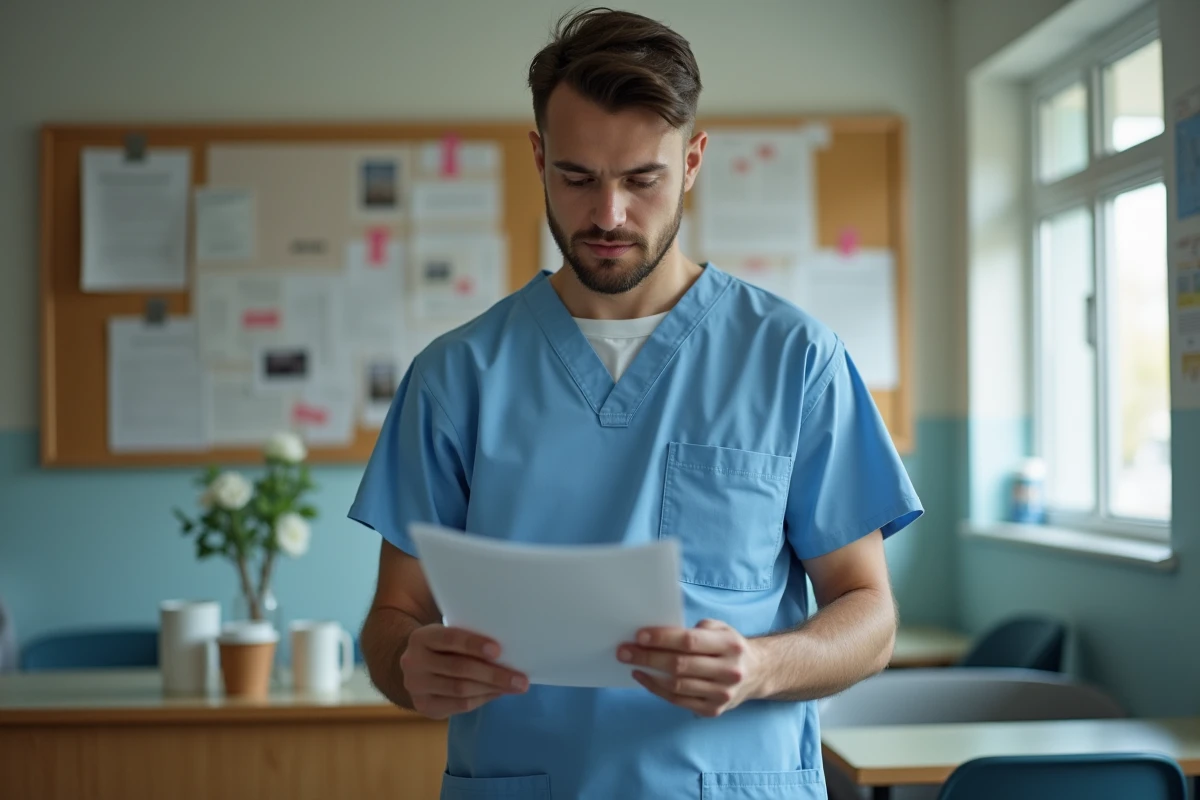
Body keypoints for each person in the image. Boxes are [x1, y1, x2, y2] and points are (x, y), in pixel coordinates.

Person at [350, 8, 922, 799]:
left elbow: (870, 615)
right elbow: (393, 618)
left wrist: (761, 666)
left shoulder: (795, 360)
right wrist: (410, 668)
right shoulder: (456, 377)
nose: (608, 215)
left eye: (641, 179)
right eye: (578, 178)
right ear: (539, 157)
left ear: (692, 161)